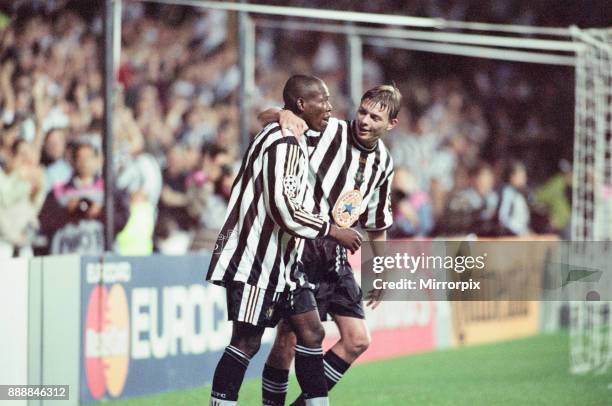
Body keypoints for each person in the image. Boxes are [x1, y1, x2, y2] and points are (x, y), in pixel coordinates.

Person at [206, 75, 362, 406]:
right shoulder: (285, 142)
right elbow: (284, 210)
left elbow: (271, 114)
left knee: (311, 332)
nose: (330, 106)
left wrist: (280, 112)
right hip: (255, 259)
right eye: (321, 100)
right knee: (246, 341)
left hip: (284, 263)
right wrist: (332, 230)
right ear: (302, 104)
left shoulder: (290, 134)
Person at [257, 82, 399, 406]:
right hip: (302, 246)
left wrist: (381, 270)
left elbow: (377, 224)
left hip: (336, 254)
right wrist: (281, 114)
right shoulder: (327, 129)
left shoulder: (384, 164)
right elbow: (263, 117)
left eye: (375, 118)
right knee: (288, 340)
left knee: (358, 339)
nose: (364, 121)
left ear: (391, 125)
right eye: (363, 112)